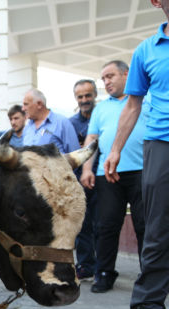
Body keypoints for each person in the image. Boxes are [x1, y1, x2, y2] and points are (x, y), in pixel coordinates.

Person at [106, 0, 169, 309]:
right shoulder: (145, 51)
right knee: (156, 229)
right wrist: (115, 150)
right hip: (163, 145)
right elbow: (133, 104)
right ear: (156, 1)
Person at [81, 60, 147, 293]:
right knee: (105, 226)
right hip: (107, 174)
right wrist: (87, 168)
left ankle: (149, 276)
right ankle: (105, 273)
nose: (106, 82)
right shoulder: (100, 109)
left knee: (144, 226)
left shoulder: (145, 100)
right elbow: (92, 141)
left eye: (110, 76)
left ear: (126, 75)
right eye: (104, 79)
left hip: (142, 171)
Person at [70, 79, 99, 280]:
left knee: (103, 224)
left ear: (95, 95)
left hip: (105, 177)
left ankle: (104, 265)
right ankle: (86, 265)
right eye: (80, 96)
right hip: (80, 180)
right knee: (82, 225)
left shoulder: (103, 114)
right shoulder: (71, 123)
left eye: (88, 95)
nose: (84, 100)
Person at [22, 88, 81, 154]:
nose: (23, 109)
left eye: (26, 104)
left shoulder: (62, 123)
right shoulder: (27, 128)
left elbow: (75, 154)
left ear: (39, 104)